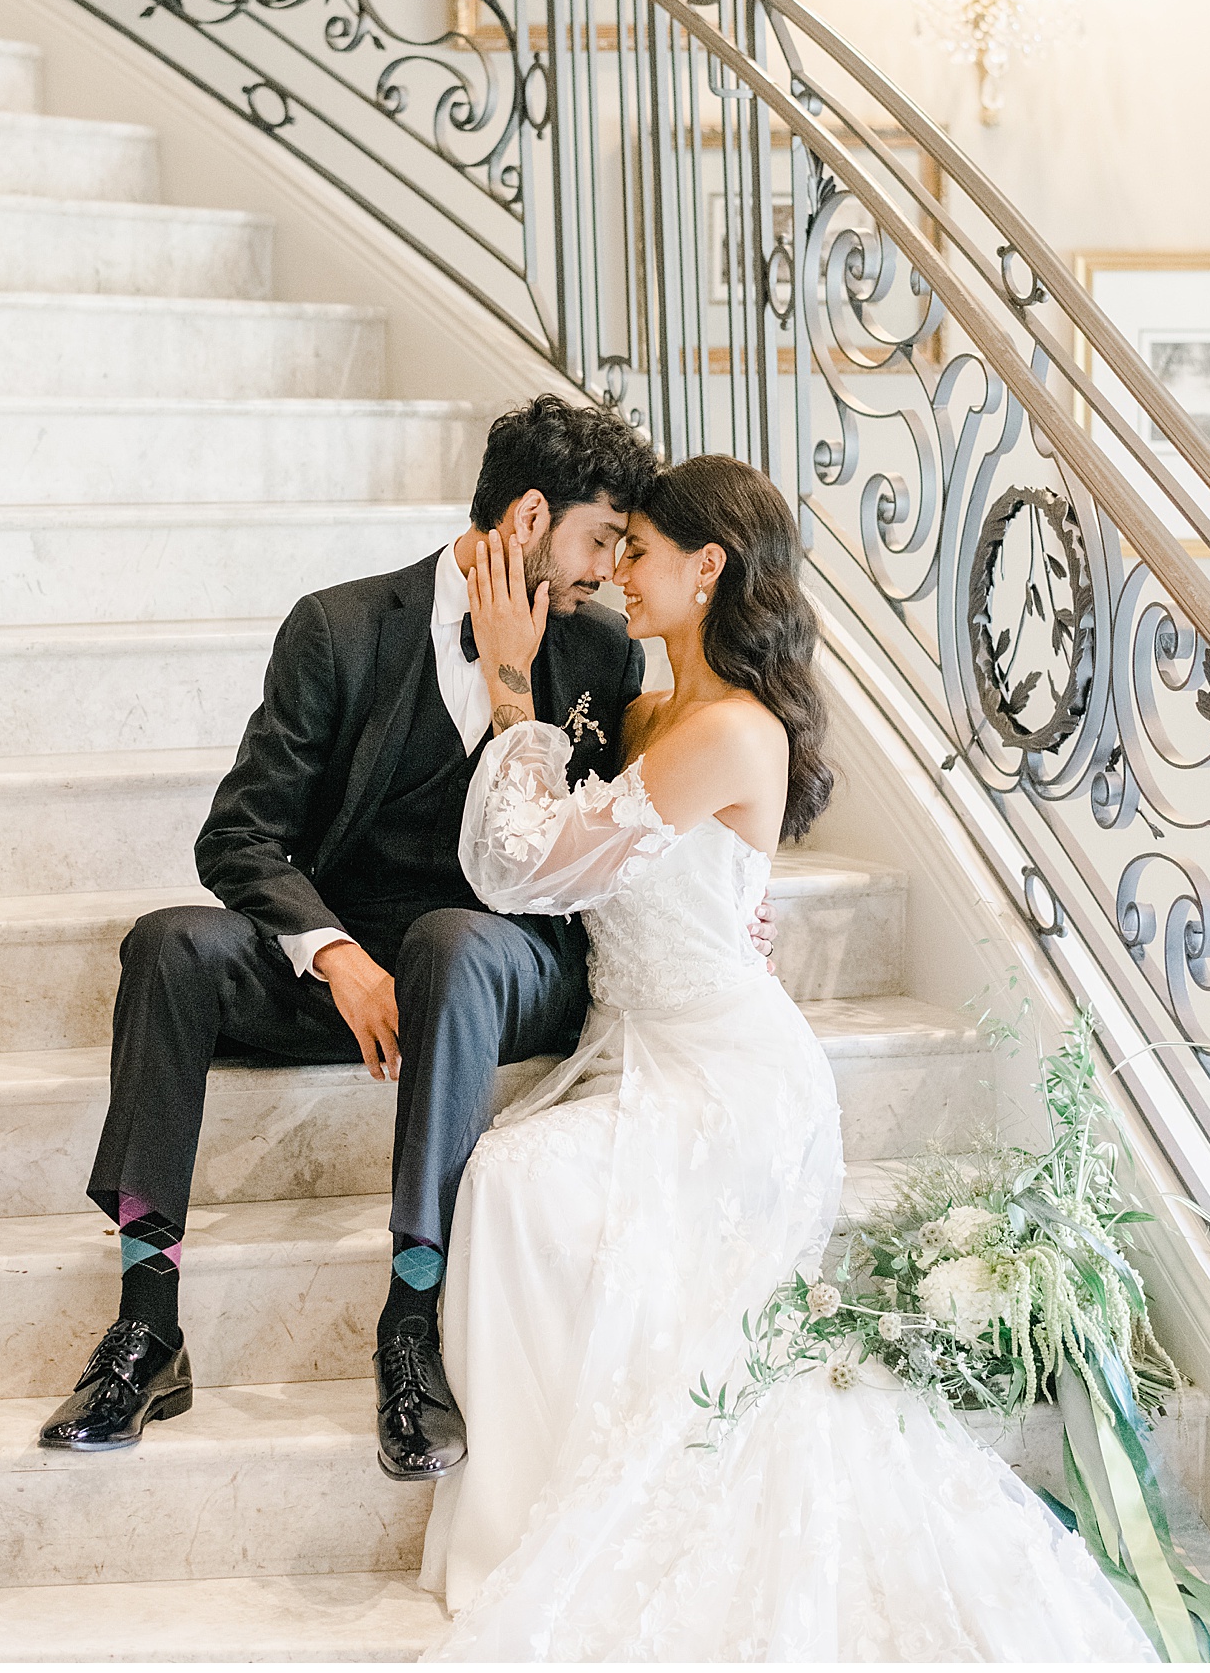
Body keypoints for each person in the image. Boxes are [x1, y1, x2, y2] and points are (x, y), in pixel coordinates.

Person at [418, 453, 1158, 1662]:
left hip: (732, 1085)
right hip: (646, 1050)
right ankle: (545, 1494)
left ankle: (552, 1514)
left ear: (707, 568)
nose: (621, 572)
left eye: (640, 551)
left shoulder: (732, 729)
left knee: (513, 1184)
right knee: (518, 1189)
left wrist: (511, 684)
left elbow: (528, 863)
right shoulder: (644, 713)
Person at [37, 397, 774, 1474]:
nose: (607, 570)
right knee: (168, 945)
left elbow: (645, 829)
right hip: (356, 965)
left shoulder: (603, 654)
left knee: (451, 941)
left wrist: (738, 900)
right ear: (530, 517)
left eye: (625, 548)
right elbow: (239, 836)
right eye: (599, 540)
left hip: (499, 963)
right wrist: (336, 956)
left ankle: (411, 1326)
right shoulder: (338, 628)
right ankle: (147, 1324)